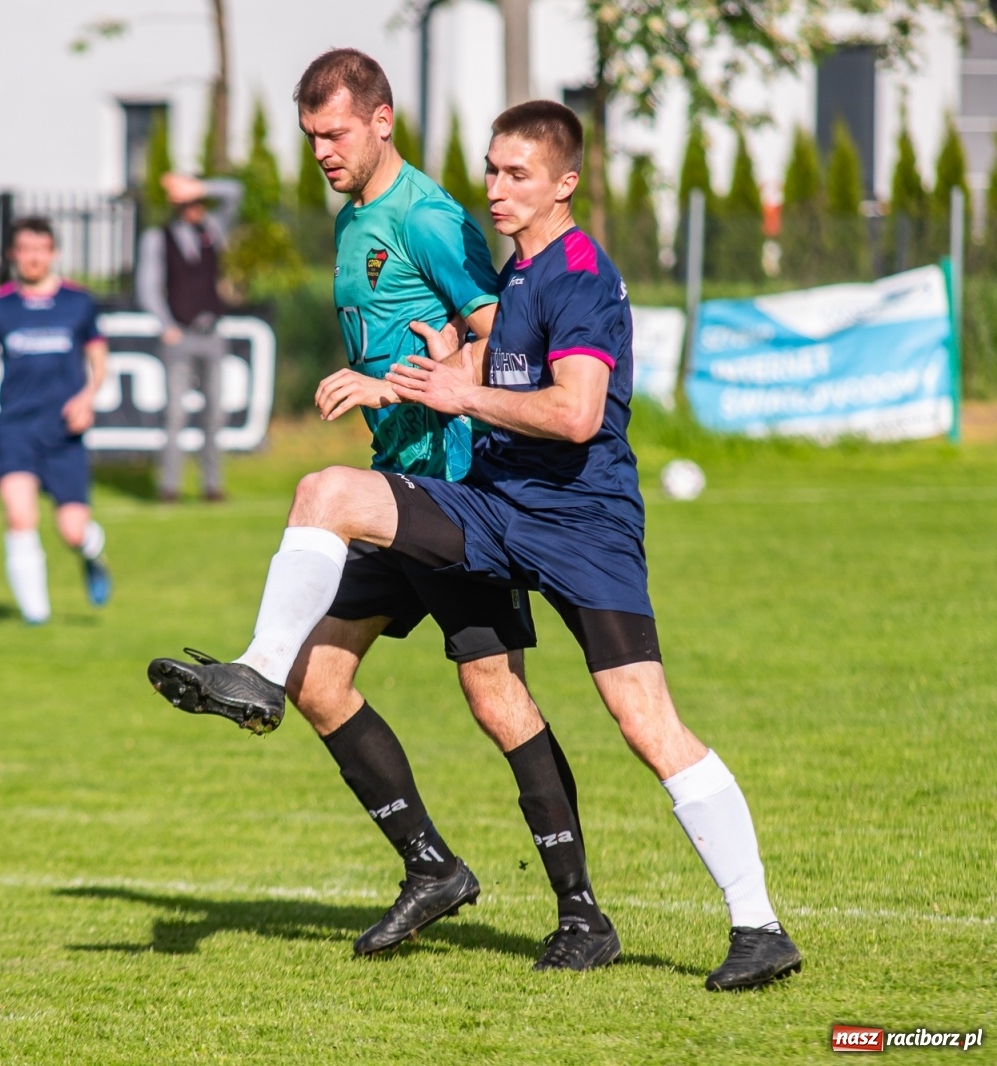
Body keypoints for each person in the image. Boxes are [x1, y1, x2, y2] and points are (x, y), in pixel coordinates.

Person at [147, 100, 803, 992]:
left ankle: (758, 928)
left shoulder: (578, 275)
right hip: (493, 506)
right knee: (326, 493)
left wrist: (465, 398)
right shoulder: (519, 272)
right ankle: (260, 669)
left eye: (516, 174)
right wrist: (418, 377)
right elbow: (489, 372)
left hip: (585, 528)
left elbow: (573, 414)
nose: (494, 189)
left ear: (565, 184)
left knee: (645, 721)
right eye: (492, 169)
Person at [156, 50, 617, 968]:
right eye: (310, 137)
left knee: (495, 694)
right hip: (393, 487)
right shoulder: (357, 216)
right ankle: (433, 869)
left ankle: (582, 913)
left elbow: (501, 339)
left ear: (381, 120)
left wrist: (399, 385)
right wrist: (388, 392)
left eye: (334, 133)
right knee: (319, 684)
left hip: (454, 490)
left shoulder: (429, 216)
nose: (321, 151)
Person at [0, 216, 111, 624]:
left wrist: (88, 397)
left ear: (53, 252)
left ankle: (92, 554)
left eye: (40, 249)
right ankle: (36, 616)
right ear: (13, 255)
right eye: (24, 249)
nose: (33, 257)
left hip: (64, 431)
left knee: (73, 531)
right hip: (17, 429)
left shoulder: (78, 302)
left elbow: (98, 358)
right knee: (19, 516)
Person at [135, 171, 242, 502]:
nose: (196, 206)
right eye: (189, 200)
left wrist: (200, 185)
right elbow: (147, 287)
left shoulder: (212, 229)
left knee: (214, 414)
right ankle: (170, 486)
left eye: (198, 199)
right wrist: (165, 324)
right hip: (179, 334)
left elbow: (236, 192)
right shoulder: (158, 237)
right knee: (175, 416)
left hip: (211, 332)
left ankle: (212, 484)